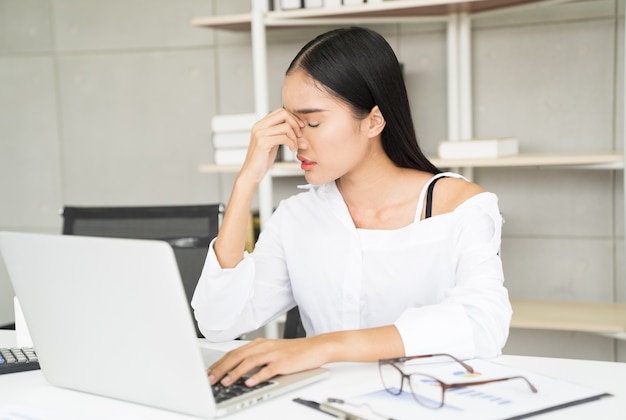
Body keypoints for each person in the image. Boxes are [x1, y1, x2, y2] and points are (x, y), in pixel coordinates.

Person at [191, 26, 512, 389]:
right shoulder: (297, 218)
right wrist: (246, 179)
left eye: (312, 122)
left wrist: (325, 347)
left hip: (428, 403)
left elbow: (483, 323)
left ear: (374, 121)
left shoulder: (460, 208)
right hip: (323, 405)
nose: (296, 141)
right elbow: (218, 321)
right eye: (291, 124)